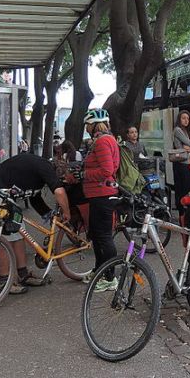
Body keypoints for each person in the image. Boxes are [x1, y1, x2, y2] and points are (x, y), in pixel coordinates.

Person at [0, 152, 71, 294]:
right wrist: (66, 212)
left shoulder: (36, 175)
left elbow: (34, 199)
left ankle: (23, 274)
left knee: (19, 233)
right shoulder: (45, 167)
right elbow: (59, 192)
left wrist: (49, 215)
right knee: (5, 237)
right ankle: (4, 281)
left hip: (5, 194)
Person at [77, 108, 120, 292]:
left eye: (87, 124)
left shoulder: (103, 142)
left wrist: (84, 174)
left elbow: (106, 171)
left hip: (102, 195)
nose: (86, 128)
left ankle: (110, 277)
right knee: (96, 235)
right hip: (97, 195)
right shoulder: (104, 140)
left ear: (94, 125)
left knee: (103, 237)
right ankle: (99, 270)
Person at [172, 110, 190, 215]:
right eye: (183, 118)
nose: (186, 120)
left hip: (187, 163)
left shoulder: (184, 131)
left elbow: (189, 147)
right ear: (179, 119)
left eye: (188, 118)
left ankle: (187, 210)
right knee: (183, 188)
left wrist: (188, 147)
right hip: (181, 164)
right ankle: (182, 212)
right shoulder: (178, 130)